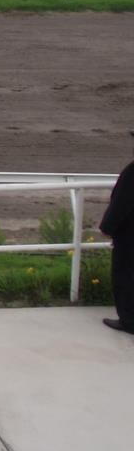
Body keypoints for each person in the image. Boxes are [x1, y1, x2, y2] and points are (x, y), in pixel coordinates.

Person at [100, 135, 134, 333]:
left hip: (130, 237)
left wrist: (107, 227)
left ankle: (129, 320)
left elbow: (121, 205)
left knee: (125, 275)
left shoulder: (132, 172)